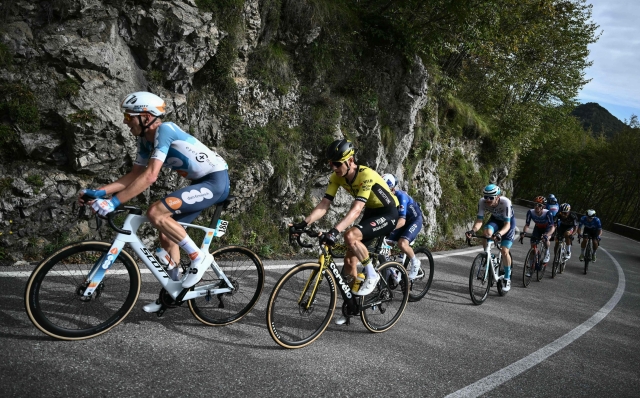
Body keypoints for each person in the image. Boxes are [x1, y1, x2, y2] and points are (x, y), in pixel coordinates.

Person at [78, 91, 230, 313]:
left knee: (156, 213)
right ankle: (176, 288)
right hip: (200, 182)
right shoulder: (145, 142)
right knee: (167, 234)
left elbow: (150, 176)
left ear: (146, 117)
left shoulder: (164, 130)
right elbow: (133, 176)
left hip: (215, 181)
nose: (125, 121)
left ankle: (199, 258)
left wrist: (114, 203)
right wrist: (100, 193)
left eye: (129, 117)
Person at [291, 139, 399, 324]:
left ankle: (372, 275)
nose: (333, 167)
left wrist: (335, 231)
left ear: (350, 161)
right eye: (330, 163)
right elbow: (325, 204)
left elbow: (356, 210)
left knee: (350, 235)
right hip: (371, 213)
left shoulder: (367, 175)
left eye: (337, 164)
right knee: (349, 261)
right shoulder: (337, 177)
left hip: (388, 213)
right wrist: (304, 223)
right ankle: (351, 305)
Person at [465, 184, 516, 292]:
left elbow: (507, 225)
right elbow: (479, 221)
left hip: (508, 223)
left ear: (497, 197)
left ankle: (507, 278)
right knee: (486, 232)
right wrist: (473, 230)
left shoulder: (505, 202)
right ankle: (488, 255)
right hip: (496, 220)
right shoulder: (482, 202)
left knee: (504, 250)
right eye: (486, 197)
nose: (487, 200)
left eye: (491, 197)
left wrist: (499, 234)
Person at [381, 173, 423, 279]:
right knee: (386, 243)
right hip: (401, 221)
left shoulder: (401, 196)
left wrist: (387, 228)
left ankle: (415, 263)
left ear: (391, 188)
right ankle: (392, 270)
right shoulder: (384, 197)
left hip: (413, 220)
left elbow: (402, 221)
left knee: (402, 244)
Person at [520, 196, 556, 273]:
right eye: (535, 204)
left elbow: (552, 227)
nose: (536, 206)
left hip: (547, 228)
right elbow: (527, 225)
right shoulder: (530, 212)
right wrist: (524, 232)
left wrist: (547, 235)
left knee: (545, 239)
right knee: (533, 244)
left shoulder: (547, 213)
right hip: (538, 228)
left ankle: (547, 252)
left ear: (543, 206)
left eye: (539, 205)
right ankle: (531, 265)